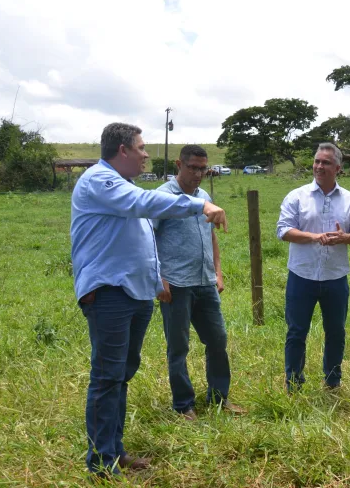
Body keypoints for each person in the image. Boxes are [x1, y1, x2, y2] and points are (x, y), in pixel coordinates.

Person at [71, 123, 227, 476]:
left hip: (134, 293)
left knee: (121, 374)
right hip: (110, 293)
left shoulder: (122, 186)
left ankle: (114, 451)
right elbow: (142, 204)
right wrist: (198, 204)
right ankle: (101, 463)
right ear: (123, 150)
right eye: (141, 148)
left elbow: (141, 238)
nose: (146, 154)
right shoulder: (100, 180)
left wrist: (156, 280)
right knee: (108, 376)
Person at [155, 145, 244, 419]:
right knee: (179, 346)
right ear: (178, 166)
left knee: (218, 340)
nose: (197, 173)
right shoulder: (161, 198)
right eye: (192, 167)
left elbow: (211, 236)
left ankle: (219, 397)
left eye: (202, 168)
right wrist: (158, 279)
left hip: (205, 282)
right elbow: (147, 238)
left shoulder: (205, 196)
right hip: (176, 284)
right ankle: (184, 405)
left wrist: (218, 271)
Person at [277, 143, 350, 391]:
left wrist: (345, 238)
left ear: (338, 168)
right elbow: (283, 230)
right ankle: (293, 383)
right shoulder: (297, 196)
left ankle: (332, 382)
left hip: (335, 277)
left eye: (325, 162)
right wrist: (315, 237)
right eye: (317, 161)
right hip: (302, 275)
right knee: (296, 332)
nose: (319, 166)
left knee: (336, 332)